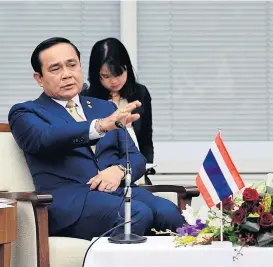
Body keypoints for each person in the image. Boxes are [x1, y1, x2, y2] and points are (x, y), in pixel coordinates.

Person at [8, 37, 184, 241]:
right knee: (135, 214)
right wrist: (99, 126)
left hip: (119, 190)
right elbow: (45, 139)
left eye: (72, 65)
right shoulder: (26, 112)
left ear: (80, 67)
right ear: (39, 78)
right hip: (71, 204)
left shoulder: (104, 107)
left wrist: (118, 171)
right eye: (55, 69)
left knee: (169, 213)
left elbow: (136, 157)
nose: (67, 74)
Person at [84, 37, 154, 163]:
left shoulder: (140, 93)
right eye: (106, 76)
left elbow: (145, 136)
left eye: (119, 73)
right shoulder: (86, 99)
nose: (114, 81)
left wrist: (147, 165)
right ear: (96, 74)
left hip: (136, 166)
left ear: (127, 67)